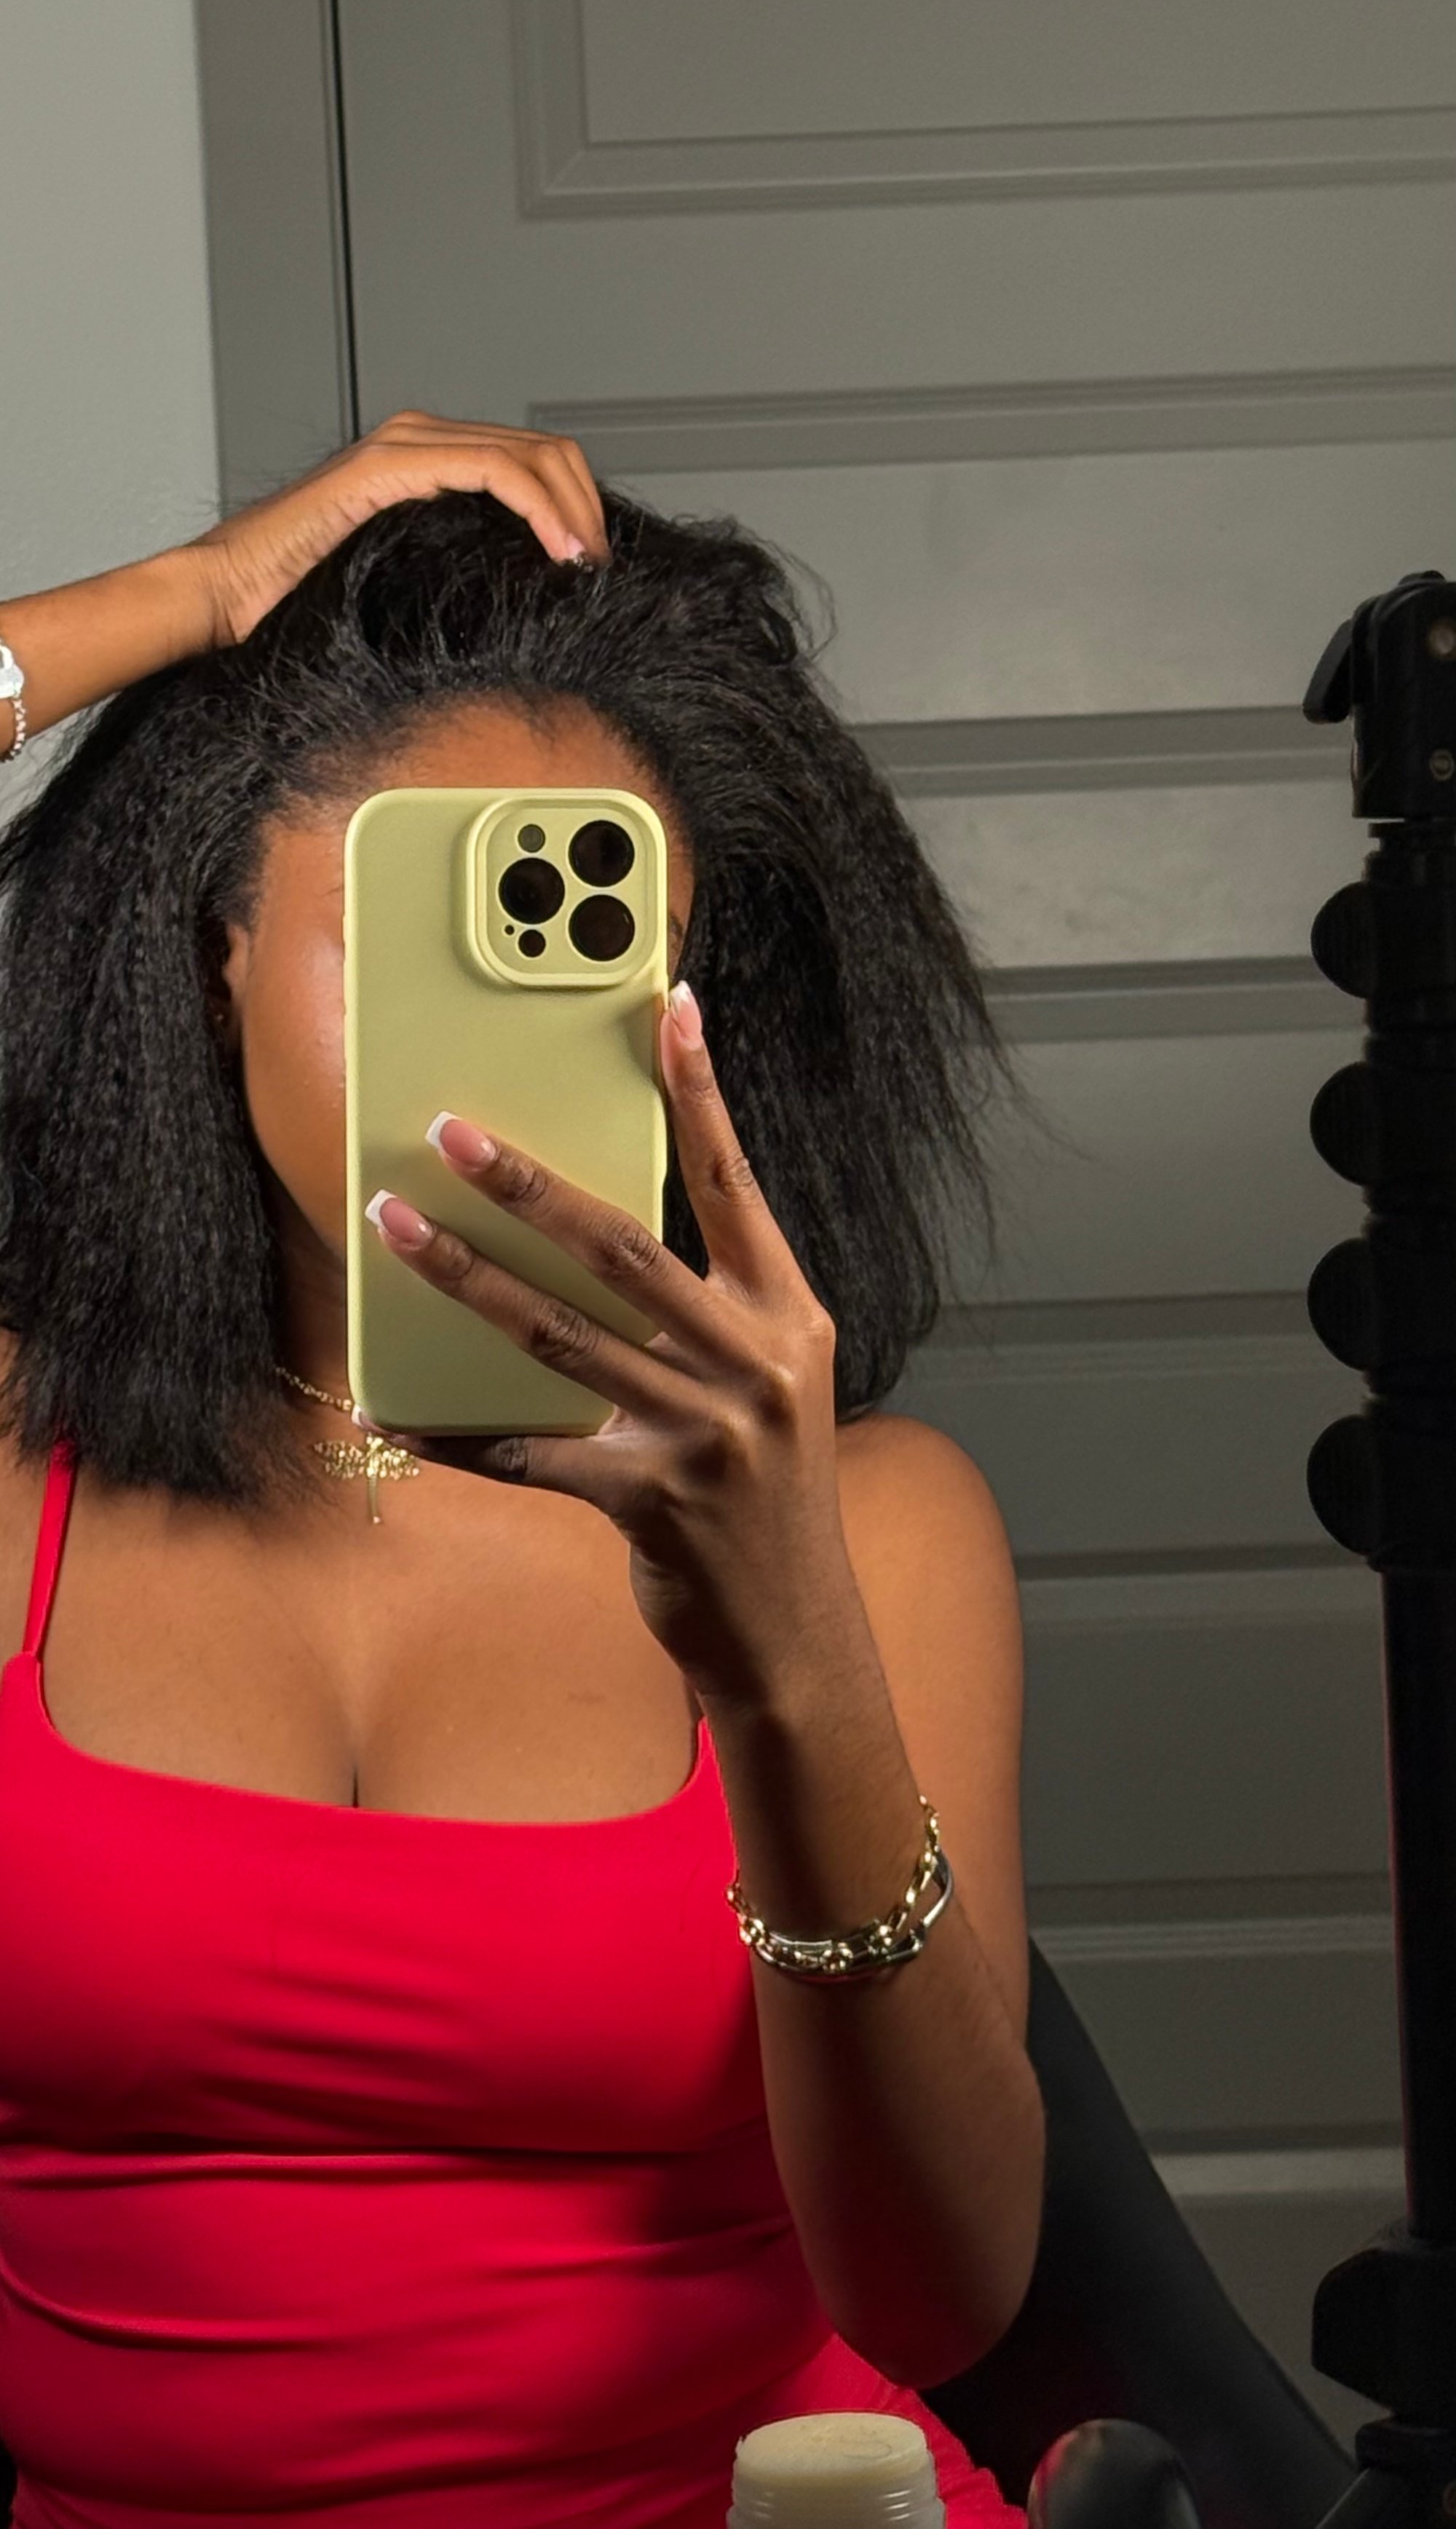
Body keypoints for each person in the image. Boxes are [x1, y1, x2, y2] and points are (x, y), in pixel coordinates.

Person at [0, 413, 1046, 2528]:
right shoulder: (19, 1466)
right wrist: (178, 606)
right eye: (412, 948)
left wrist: (788, 1652)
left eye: (578, 955)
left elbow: (942, 2298)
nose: (482, 1081)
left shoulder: (871, 1517)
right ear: (210, 941)